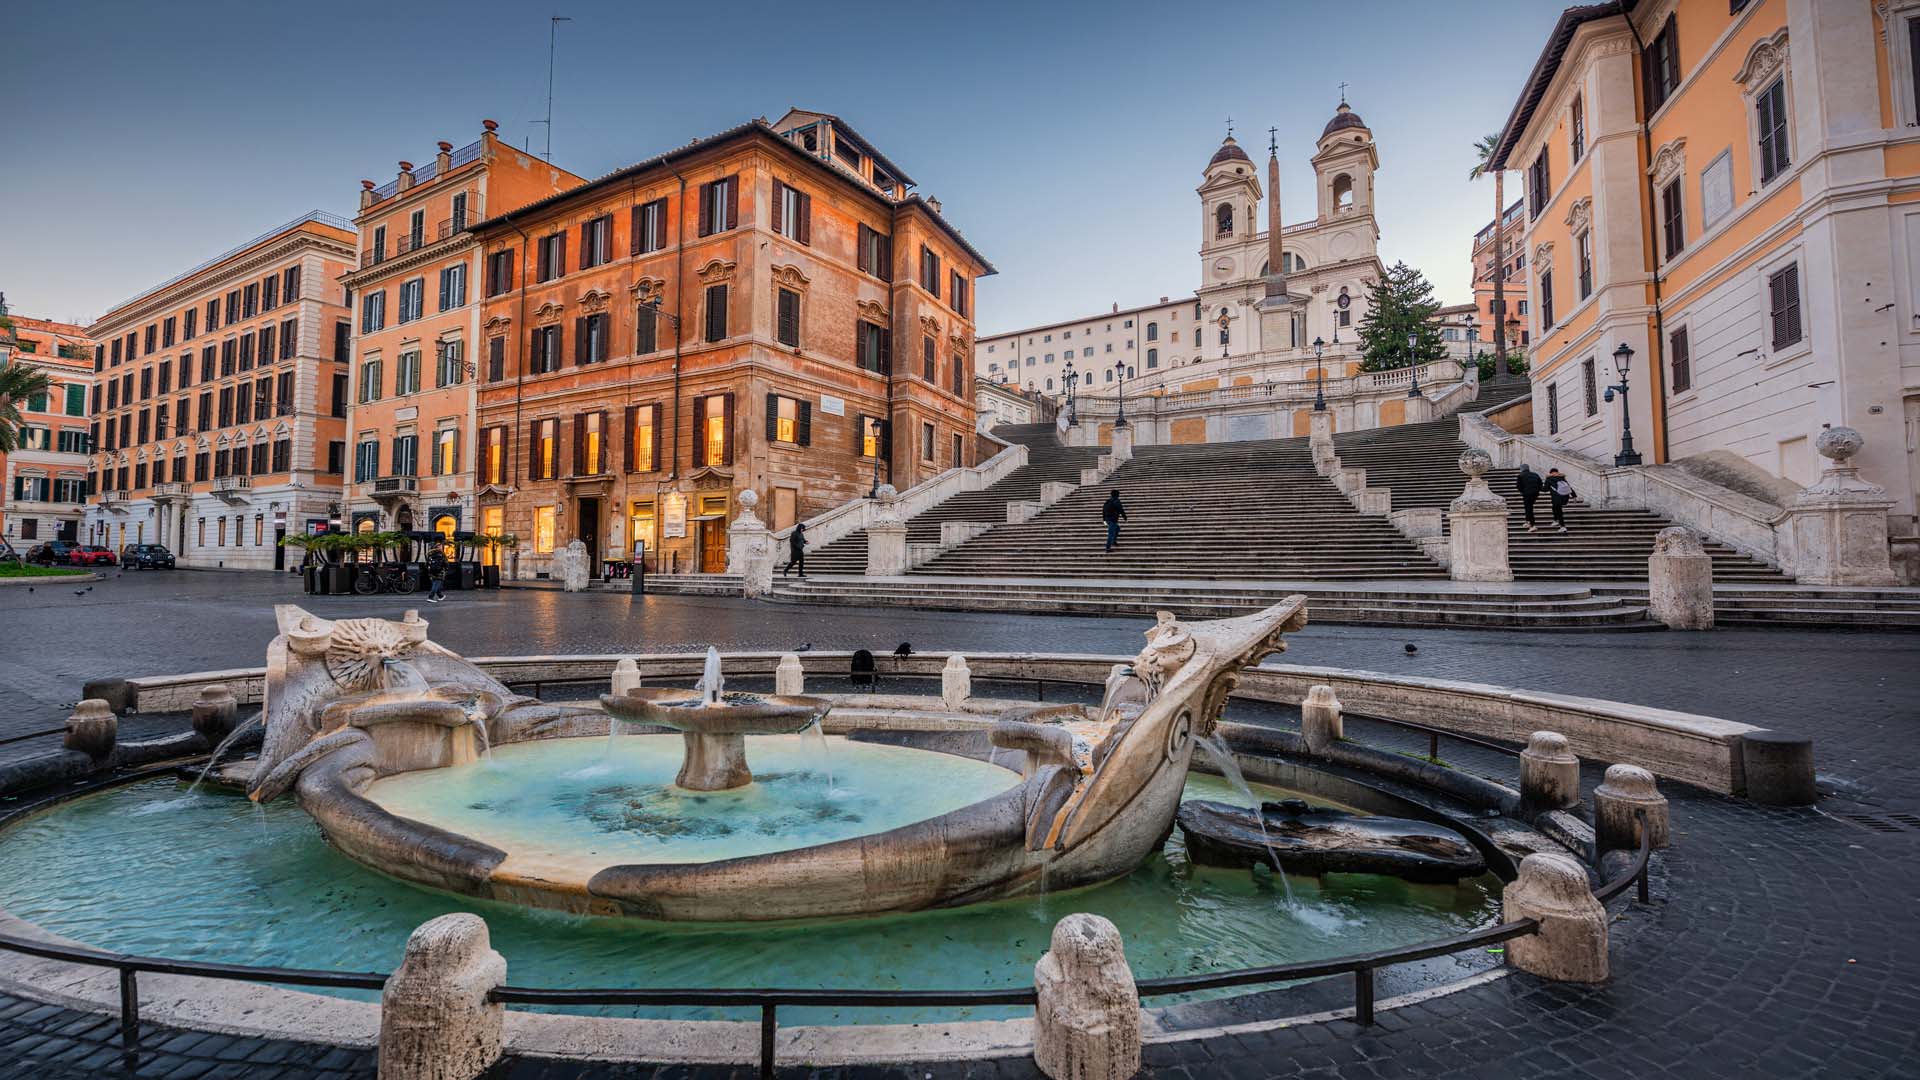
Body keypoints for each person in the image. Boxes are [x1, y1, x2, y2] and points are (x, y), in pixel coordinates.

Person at [1515, 463, 1544, 532]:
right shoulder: (1535, 474)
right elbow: (1541, 484)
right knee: (1528, 507)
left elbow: (1518, 486)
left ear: (1521, 469)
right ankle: (1528, 521)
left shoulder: (1520, 475)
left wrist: (1523, 491)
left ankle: (1533, 525)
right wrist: (1536, 489)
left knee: (1529, 508)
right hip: (1535, 494)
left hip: (1527, 494)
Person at [1545, 468, 1575, 533]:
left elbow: (1545, 489)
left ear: (1550, 473)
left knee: (1559, 511)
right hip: (1564, 497)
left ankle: (1563, 526)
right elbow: (1569, 487)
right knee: (1554, 507)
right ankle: (1556, 520)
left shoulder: (1549, 479)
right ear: (1557, 472)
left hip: (1556, 498)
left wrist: (1538, 487)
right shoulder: (1562, 478)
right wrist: (1574, 495)